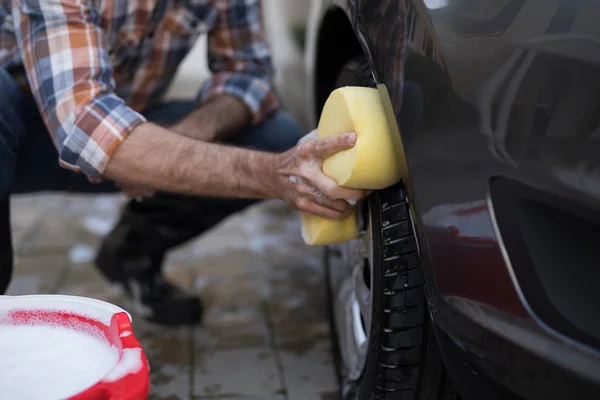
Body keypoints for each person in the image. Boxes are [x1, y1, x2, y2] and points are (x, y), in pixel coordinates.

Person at [0, 1, 364, 325]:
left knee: (273, 136)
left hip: (118, 126)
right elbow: (86, 124)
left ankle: (132, 252)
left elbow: (248, 77)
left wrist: (183, 138)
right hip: (20, 140)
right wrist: (270, 174)